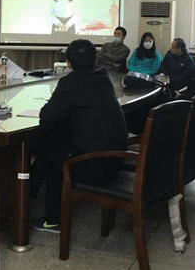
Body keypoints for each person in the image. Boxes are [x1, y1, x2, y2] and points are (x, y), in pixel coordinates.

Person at [31, 39, 127, 232]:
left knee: (51, 156)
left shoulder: (71, 82)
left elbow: (47, 115)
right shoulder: (103, 77)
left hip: (96, 164)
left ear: (68, 63)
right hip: (116, 159)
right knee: (52, 144)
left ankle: (52, 218)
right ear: (95, 60)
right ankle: (28, 194)